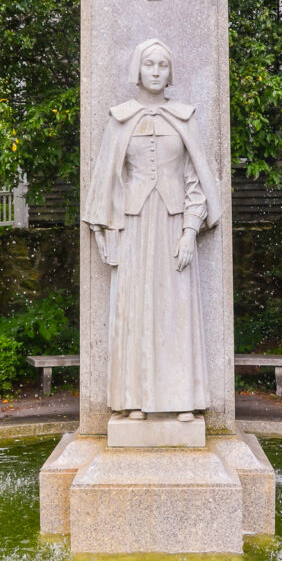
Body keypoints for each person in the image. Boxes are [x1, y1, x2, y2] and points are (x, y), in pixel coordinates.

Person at [83, 39, 220, 421]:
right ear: (137, 70)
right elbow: (106, 180)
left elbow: (197, 183)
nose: (156, 71)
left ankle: (181, 401)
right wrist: (107, 232)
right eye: (149, 64)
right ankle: (135, 400)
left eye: (163, 64)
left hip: (175, 224)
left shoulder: (184, 117)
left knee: (176, 311)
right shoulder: (120, 118)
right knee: (135, 310)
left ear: (170, 72)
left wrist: (190, 232)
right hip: (134, 228)